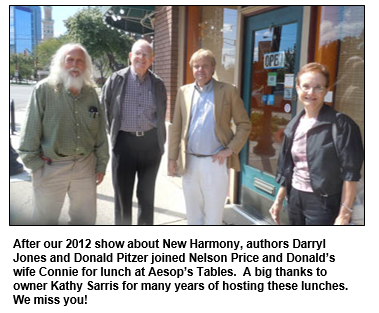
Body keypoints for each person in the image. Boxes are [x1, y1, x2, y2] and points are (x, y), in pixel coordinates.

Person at [18, 44, 109, 225]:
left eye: (80, 61)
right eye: (70, 60)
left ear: (86, 66)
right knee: (44, 222)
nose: (75, 65)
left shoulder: (91, 93)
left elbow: (100, 133)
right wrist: (36, 167)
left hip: (85, 166)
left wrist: (101, 164)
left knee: (85, 221)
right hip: (51, 167)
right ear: (61, 63)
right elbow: (30, 132)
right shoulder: (43, 90)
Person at [269, 62, 364, 225]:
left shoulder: (341, 125)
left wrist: (344, 214)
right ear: (297, 88)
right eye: (305, 86)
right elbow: (289, 167)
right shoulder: (294, 124)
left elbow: (351, 173)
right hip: (295, 198)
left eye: (318, 87)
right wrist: (278, 200)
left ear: (326, 90)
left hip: (324, 203)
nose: (310, 93)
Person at [168, 49, 251, 225]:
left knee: (213, 216)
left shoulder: (228, 91)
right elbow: (176, 128)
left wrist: (230, 149)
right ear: (192, 69)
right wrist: (171, 158)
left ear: (213, 68)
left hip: (215, 162)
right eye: (196, 66)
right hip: (189, 162)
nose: (200, 70)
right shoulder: (184, 92)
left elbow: (244, 124)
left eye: (205, 66)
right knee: (193, 215)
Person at [101, 40, 167, 225]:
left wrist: (160, 143)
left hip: (150, 145)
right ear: (130, 56)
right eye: (138, 53)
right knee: (123, 197)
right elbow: (104, 109)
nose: (142, 58)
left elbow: (161, 113)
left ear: (152, 59)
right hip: (124, 144)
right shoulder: (116, 79)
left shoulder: (158, 84)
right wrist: (114, 135)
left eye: (146, 55)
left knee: (147, 197)